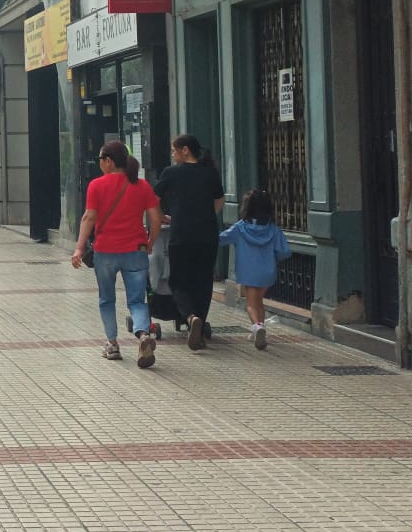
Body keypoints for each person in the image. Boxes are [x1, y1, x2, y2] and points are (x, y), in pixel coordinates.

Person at [70, 139, 163, 367]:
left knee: (107, 299)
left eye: (101, 159)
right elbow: (156, 219)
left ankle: (112, 344)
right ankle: (143, 335)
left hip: (106, 252)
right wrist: (151, 241)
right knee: (137, 301)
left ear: (109, 162)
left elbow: (88, 218)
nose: (99, 163)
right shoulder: (142, 186)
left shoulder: (97, 186)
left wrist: (79, 249)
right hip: (135, 251)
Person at [154, 135, 225, 351]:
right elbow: (220, 199)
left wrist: (163, 217)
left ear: (185, 151)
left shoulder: (171, 173)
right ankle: (200, 324)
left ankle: (190, 317)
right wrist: (205, 214)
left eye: (174, 151)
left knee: (178, 281)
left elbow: (153, 199)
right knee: (203, 282)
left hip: (181, 235)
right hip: (207, 235)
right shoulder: (209, 172)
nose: (173, 155)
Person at [221, 190, 291, 350]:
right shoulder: (273, 229)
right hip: (267, 271)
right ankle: (258, 329)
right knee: (259, 301)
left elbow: (222, 239)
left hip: (248, 271)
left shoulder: (240, 228)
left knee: (251, 304)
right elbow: (284, 252)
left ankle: (257, 326)